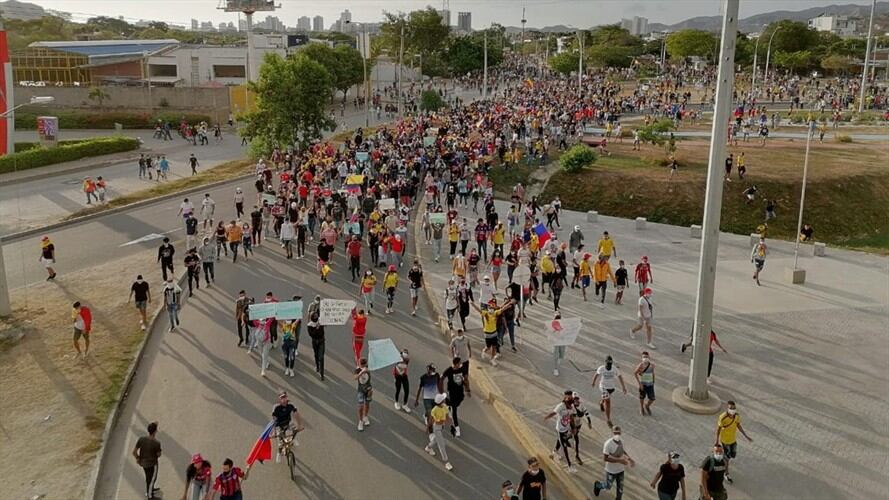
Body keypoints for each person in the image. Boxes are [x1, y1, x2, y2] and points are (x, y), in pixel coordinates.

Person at [716, 400, 753, 484]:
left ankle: (723, 459)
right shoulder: (723, 417)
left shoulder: (737, 416)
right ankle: (726, 473)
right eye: (730, 408)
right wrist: (717, 441)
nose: (732, 410)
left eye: (734, 408)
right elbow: (718, 429)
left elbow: (738, 425)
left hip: (733, 440)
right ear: (727, 408)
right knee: (727, 458)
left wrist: (746, 436)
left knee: (733, 455)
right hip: (725, 441)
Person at [593, 426, 635, 499]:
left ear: (621, 432)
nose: (617, 434)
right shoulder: (608, 444)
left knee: (620, 489)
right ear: (612, 433)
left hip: (621, 470)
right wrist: (620, 460)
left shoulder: (622, 441)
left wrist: (630, 459)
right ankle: (597, 485)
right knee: (607, 486)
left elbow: (623, 451)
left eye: (618, 432)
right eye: (615, 433)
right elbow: (605, 458)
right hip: (611, 471)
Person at [543, 390, 576, 472]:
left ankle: (553, 453)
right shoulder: (561, 406)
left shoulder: (572, 406)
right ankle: (569, 466)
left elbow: (571, 417)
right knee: (564, 447)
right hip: (560, 429)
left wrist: (574, 427)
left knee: (559, 440)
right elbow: (554, 413)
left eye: (570, 396)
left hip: (566, 428)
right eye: (567, 397)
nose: (569, 398)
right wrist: (547, 417)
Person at [591, 355, 627, 429]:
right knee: (608, 402)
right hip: (603, 387)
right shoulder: (601, 368)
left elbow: (620, 377)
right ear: (605, 363)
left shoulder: (614, 369)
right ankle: (608, 419)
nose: (608, 367)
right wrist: (593, 382)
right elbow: (596, 375)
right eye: (607, 365)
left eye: (610, 365)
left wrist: (623, 387)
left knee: (605, 400)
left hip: (611, 387)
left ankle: (601, 402)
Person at [133, 421, 162, 500]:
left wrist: (138, 458)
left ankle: (150, 489)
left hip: (143, 463)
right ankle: (150, 496)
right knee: (153, 478)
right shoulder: (156, 443)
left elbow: (134, 452)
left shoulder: (141, 439)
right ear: (155, 431)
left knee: (148, 478)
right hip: (152, 464)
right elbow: (159, 455)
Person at [272, 392, 304, 462]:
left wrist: (300, 425)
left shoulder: (290, 405)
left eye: (285, 397)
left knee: (295, 430)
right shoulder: (276, 407)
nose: (284, 399)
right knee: (280, 442)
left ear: (287, 398)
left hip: (287, 423)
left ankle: (293, 439)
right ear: (279, 399)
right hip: (279, 425)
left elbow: (296, 414)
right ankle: (279, 453)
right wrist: (274, 432)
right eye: (282, 398)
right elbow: (274, 420)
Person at [442, 356, 470, 437]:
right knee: (454, 410)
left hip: (460, 392)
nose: (461, 364)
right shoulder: (449, 370)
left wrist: (467, 389)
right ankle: (457, 428)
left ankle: (446, 404)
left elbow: (465, 380)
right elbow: (442, 378)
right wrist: (441, 389)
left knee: (457, 403)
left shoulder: (462, 369)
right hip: (452, 392)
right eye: (459, 363)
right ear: (456, 364)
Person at [425, 392, 454, 471]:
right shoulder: (434, 410)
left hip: (441, 427)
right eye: (443, 399)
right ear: (441, 402)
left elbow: (447, 414)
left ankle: (428, 447)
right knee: (441, 445)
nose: (445, 400)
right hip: (437, 428)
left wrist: (450, 422)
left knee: (435, 440)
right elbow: (435, 421)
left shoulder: (444, 406)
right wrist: (428, 427)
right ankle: (446, 462)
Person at [633, 351, 656, 416]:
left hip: (650, 384)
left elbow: (653, 373)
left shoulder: (652, 365)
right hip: (643, 384)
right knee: (642, 397)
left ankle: (647, 405)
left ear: (649, 357)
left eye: (646, 357)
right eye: (643, 357)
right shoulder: (641, 365)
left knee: (652, 398)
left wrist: (654, 380)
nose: (645, 358)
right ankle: (641, 408)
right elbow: (635, 373)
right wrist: (640, 384)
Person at [307, 309, 326, 380]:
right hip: (315, 341)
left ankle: (322, 373)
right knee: (316, 355)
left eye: (316, 316)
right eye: (314, 316)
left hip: (321, 341)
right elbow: (311, 334)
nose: (316, 317)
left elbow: (322, 332)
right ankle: (317, 366)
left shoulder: (320, 322)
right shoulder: (310, 325)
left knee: (321, 357)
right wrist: (316, 328)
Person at [355, 358, 373, 431]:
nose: (362, 365)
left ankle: (365, 416)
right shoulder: (358, 370)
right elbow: (355, 378)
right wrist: (361, 372)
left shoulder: (368, 368)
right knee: (361, 406)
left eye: (364, 364)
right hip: (361, 390)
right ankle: (360, 421)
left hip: (368, 389)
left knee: (367, 404)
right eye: (361, 364)